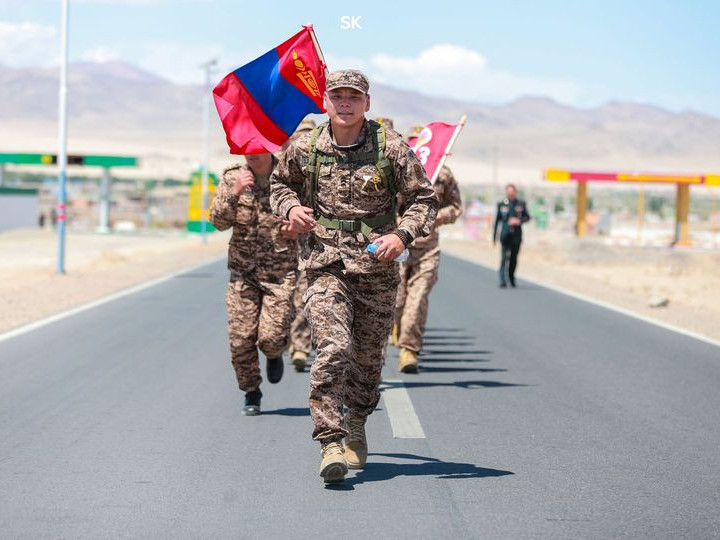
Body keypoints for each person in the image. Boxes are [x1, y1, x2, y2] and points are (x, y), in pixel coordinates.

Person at [270, 70, 437, 484]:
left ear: (367, 102)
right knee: (333, 347)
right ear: (325, 101)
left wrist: (402, 235)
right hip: (325, 262)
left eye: (353, 97)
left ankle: (357, 421)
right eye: (337, 96)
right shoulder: (306, 146)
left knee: (367, 359)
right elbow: (279, 185)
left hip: (376, 269)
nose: (345, 103)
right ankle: (330, 441)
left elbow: (424, 200)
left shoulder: (391, 147)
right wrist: (291, 209)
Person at [209, 152, 299, 416]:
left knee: (270, 338)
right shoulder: (231, 177)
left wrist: (297, 228)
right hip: (242, 272)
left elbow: (311, 215)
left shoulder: (290, 175)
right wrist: (235, 192)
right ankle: (251, 391)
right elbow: (217, 222)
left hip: (279, 273)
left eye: (259, 148)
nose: (253, 155)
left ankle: (274, 352)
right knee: (240, 339)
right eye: (248, 149)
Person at [393, 162, 463, 372]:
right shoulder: (398, 163)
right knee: (397, 300)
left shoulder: (442, 172)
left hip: (428, 248)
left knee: (417, 298)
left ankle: (409, 350)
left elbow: (456, 206)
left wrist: (438, 216)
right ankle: (397, 325)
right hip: (398, 245)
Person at [285, 118, 317, 373]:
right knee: (288, 297)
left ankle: (300, 345)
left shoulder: (324, 163)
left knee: (305, 293)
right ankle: (286, 340)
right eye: (298, 136)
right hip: (281, 246)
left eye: (307, 136)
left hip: (314, 241)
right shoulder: (281, 165)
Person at [493, 183, 530, 288]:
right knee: (504, 258)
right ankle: (502, 280)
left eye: (512, 191)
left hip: (516, 236)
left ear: (515, 192)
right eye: (508, 191)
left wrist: (519, 221)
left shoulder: (521, 204)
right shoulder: (502, 204)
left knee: (513, 258)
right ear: (506, 192)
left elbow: (527, 217)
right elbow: (497, 221)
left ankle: (511, 277)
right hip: (505, 235)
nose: (510, 193)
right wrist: (494, 237)